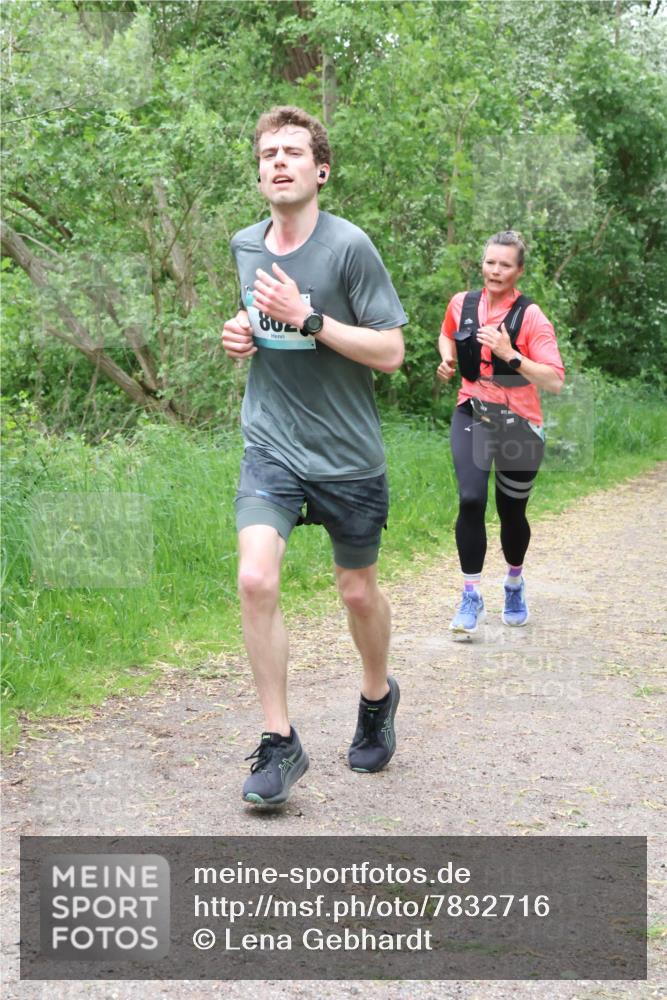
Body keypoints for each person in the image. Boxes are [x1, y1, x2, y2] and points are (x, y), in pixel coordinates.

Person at [221, 106, 408, 805]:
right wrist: (242, 333)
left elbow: (390, 352)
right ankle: (279, 742)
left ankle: (375, 695)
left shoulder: (348, 247)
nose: (278, 161)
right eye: (267, 152)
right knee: (254, 579)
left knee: (356, 591)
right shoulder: (245, 243)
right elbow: (256, 315)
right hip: (271, 443)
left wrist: (309, 319)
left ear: (319, 169)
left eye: (293, 152)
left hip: (346, 453)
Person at [437, 231, 564, 639]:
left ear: (518, 271)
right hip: (471, 411)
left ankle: (513, 583)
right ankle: (471, 595)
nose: (496, 270)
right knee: (471, 499)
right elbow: (447, 332)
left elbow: (555, 380)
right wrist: (447, 357)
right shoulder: (463, 303)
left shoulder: (531, 316)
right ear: (483, 264)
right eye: (491, 262)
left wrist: (511, 354)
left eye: (505, 264)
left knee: (512, 513)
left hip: (519, 425)